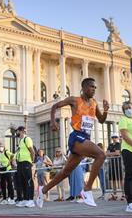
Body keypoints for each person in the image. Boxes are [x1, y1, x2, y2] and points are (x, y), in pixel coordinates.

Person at [37, 78, 109, 208]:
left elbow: (102, 120)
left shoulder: (93, 103)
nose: (94, 89)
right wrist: (53, 121)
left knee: (66, 172)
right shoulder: (74, 100)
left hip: (85, 138)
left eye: (95, 87)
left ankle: (43, 191)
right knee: (101, 155)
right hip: (76, 137)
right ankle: (87, 190)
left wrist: (106, 110)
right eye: (92, 87)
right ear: (84, 87)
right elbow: (55, 106)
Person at [15, 126, 36, 208]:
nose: (17, 133)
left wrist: (32, 162)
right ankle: (25, 199)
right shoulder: (20, 141)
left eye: (17, 131)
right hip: (20, 163)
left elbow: (32, 151)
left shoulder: (27, 139)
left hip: (26, 162)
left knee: (28, 181)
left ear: (21, 131)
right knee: (22, 181)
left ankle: (30, 200)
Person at [106, 134, 124, 201]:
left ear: (117, 138)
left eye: (115, 137)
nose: (114, 138)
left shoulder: (118, 144)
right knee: (112, 180)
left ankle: (123, 194)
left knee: (121, 179)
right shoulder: (110, 145)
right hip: (111, 163)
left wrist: (110, 153)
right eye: (113, 137)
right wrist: (111, 153)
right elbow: (106, 153)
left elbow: (117, 153)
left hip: (118, 163)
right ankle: (115, 194)